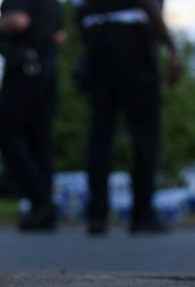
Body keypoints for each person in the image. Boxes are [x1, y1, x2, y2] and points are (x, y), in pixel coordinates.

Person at [74, 0, 182, 235]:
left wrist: (94, 37)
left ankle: (97, 216)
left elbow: (78, 10)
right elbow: (148, 3)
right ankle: (142, 215)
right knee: (145, 132)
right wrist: (171, 46)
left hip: (97, 39)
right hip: (132, 41)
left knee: (100, 132)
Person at [0, 0, 65, 231]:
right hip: (48, 68)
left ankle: (40, 200)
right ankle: (43, 207)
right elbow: (60, 35)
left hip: (24, 70)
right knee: (40, 139)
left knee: (7, 135)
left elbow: (19, 20)